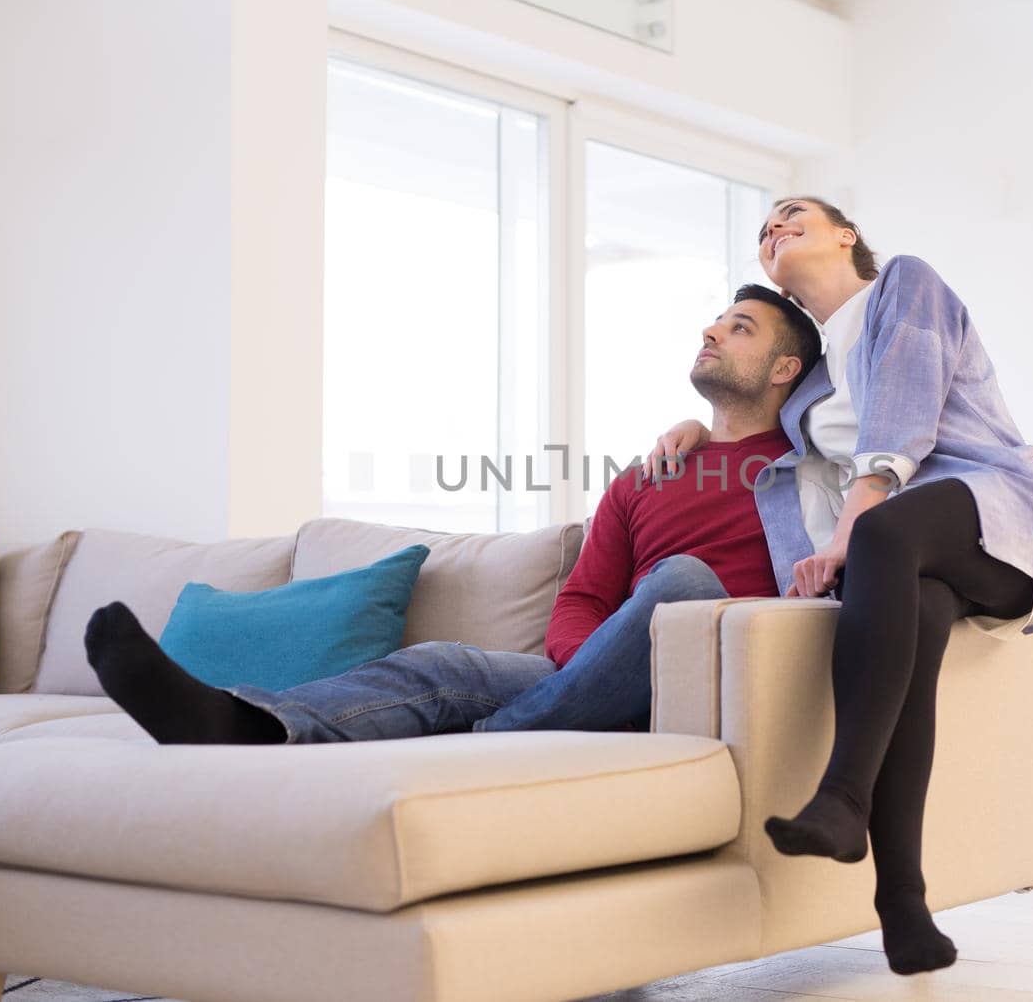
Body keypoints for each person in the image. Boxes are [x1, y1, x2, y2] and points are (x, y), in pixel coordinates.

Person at [82, 285, 822, 747]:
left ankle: (508, 733)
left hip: (706, 679)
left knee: (684, 579)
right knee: (442, 662)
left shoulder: (809, 473)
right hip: (602, 673)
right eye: (717, 320)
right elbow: (584, 599)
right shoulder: (642, 475)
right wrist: (591, 671)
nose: (712, 331)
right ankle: (238, 722)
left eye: (741, 328)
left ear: (785, 370)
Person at [643, 197, 1033, 977]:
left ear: (847, 236)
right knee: (911, 623)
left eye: (793, 214)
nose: (774, 227)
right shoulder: (809, 381)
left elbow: (899, 425)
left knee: (884, 529)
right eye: (764, 227)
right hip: (912, 555)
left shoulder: (904, 287)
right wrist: (696, 428)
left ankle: (843, 796)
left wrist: (852, 533)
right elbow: (763, 427)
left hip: (995, 515)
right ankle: (904, 910)